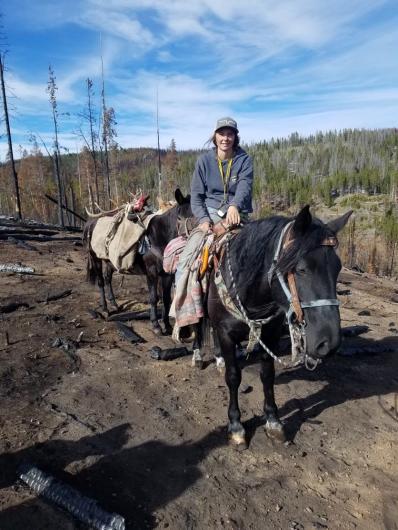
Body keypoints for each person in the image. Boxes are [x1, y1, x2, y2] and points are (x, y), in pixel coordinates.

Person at [191, 116, 254, 234]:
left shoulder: (244, 160)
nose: (225, 138)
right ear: (215, 136)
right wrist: (204, 220)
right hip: (210, 212)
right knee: (193, 248)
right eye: (221, 134)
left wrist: (234, 205)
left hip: (238, 212)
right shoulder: (203, 161)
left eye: (230, 134)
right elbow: (196, 196)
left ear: (235, 137)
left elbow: (244, 187)